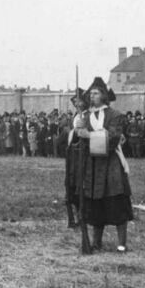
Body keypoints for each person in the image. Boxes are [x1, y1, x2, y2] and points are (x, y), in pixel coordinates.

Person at [75, 77, 133, 253]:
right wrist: (77, 131)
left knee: (116, 202)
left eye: (96, 93)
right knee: (95, 204)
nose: (92, 96)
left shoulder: (114, 115)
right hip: (92, 165)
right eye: (90, 93)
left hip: (110, 164)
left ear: (104, 95)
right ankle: (96, 242)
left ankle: (122, 243)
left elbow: (114, 138)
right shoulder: (85, 117)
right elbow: (80, 142)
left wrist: (89, 136)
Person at [64, 88, 87, 228]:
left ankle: (82, 215)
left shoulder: (87, 116)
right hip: (73, 154)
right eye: (75, 101)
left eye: (79, 101)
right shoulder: (76, 116)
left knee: (80, 185)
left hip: (82, 154)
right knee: (70, 184)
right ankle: (73, 217)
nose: (77, 104)